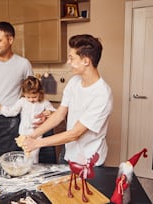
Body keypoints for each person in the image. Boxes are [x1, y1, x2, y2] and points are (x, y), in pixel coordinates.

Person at [20, 34, 113, 166]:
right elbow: (59, 114)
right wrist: (33, 135)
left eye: (71, 58)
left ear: (86, 61)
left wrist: (37, 143)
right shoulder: (74, 81)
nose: (68, 62)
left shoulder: (102, 94)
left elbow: (76, 133)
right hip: (68, 152)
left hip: (89, 160)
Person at [0, 22, 33, 160]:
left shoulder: (23, 63)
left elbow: (32, 91)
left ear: (10, 40)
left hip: (12, 121)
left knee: (11, 160)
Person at [0, 76, 56, 163]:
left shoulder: (44, 103)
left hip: (37, 134)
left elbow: (56, 114)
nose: (31, 100)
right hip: (23, 134)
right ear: (24, 94)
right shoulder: (22, 102)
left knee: (33, 156)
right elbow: (11, 112)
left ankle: (32, 171)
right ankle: (26, 169)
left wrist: (50, 112)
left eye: (34, 97)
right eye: (28, 97)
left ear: (40, 93)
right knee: (26, 155)